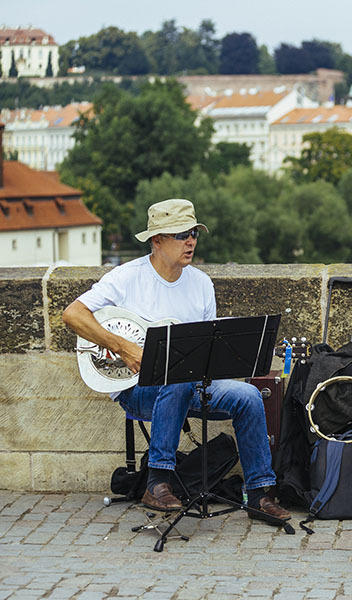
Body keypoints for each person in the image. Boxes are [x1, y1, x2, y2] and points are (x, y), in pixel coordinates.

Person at [63, 199, 290, 521]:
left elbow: (209, 350)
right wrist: (123, 347)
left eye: (194, 233)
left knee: (248, 396)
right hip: (137, 390)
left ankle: (259, 494)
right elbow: (73, 314)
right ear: (157, 240)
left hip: (191, 384)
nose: (191, 241)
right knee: (178, 380)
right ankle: (157, 482)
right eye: (182, 235)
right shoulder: (126, 278)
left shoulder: (201, 284)